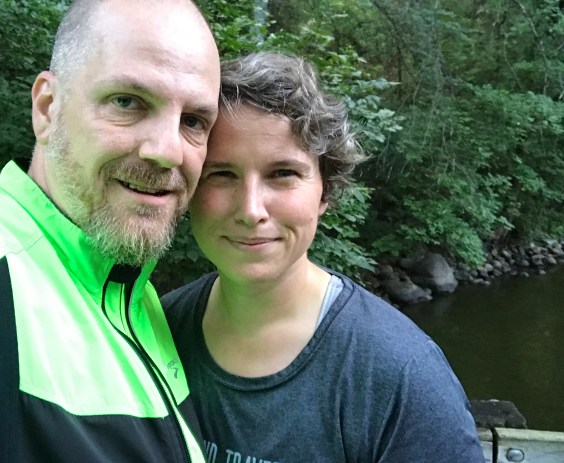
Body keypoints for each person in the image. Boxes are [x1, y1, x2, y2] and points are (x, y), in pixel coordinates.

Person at [0, 0, 220, 461]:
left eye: (193, 122)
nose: (168, 151)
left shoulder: (141, 303)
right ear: (47, 108)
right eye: (127, 102)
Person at [162, 51, 485, 463]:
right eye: (221, 174)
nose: (251, 209)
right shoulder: (157, 331)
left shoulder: (399, 374)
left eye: (283, 173)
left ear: (325, 192)